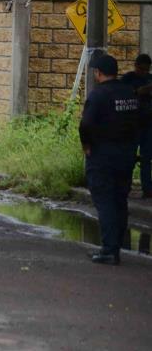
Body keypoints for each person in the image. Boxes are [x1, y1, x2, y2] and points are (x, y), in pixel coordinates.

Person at [79, 54, 139, 265]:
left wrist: (86, 146)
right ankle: (118, 246)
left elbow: (85, 125)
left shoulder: (99, 95)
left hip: (103, 156)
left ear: (98, 73)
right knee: (120, 201)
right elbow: (138, 122)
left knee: (105, 202)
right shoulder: (129, 93)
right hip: (126, 155)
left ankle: (109, 250)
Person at [120, 53, 152, 199]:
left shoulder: (150, 79)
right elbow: (121, 97)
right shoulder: (128, 79)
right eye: (141, 69)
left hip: (148, 123)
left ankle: (147, 189)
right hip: (132, 124)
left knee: (146, 158)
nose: (144, 72)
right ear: (136, 66)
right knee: (128, 157)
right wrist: (137, 92)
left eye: (147, 70)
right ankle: (125, 186)